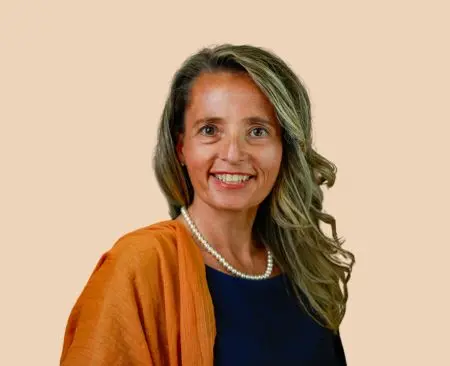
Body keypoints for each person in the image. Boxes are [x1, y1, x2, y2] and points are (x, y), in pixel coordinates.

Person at [60, 43, 355, 366]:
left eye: (257, 131)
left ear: (284, 149)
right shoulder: (139, 265)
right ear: (181, 148)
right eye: (210, 130)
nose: (233, 154)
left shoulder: (306, 270)